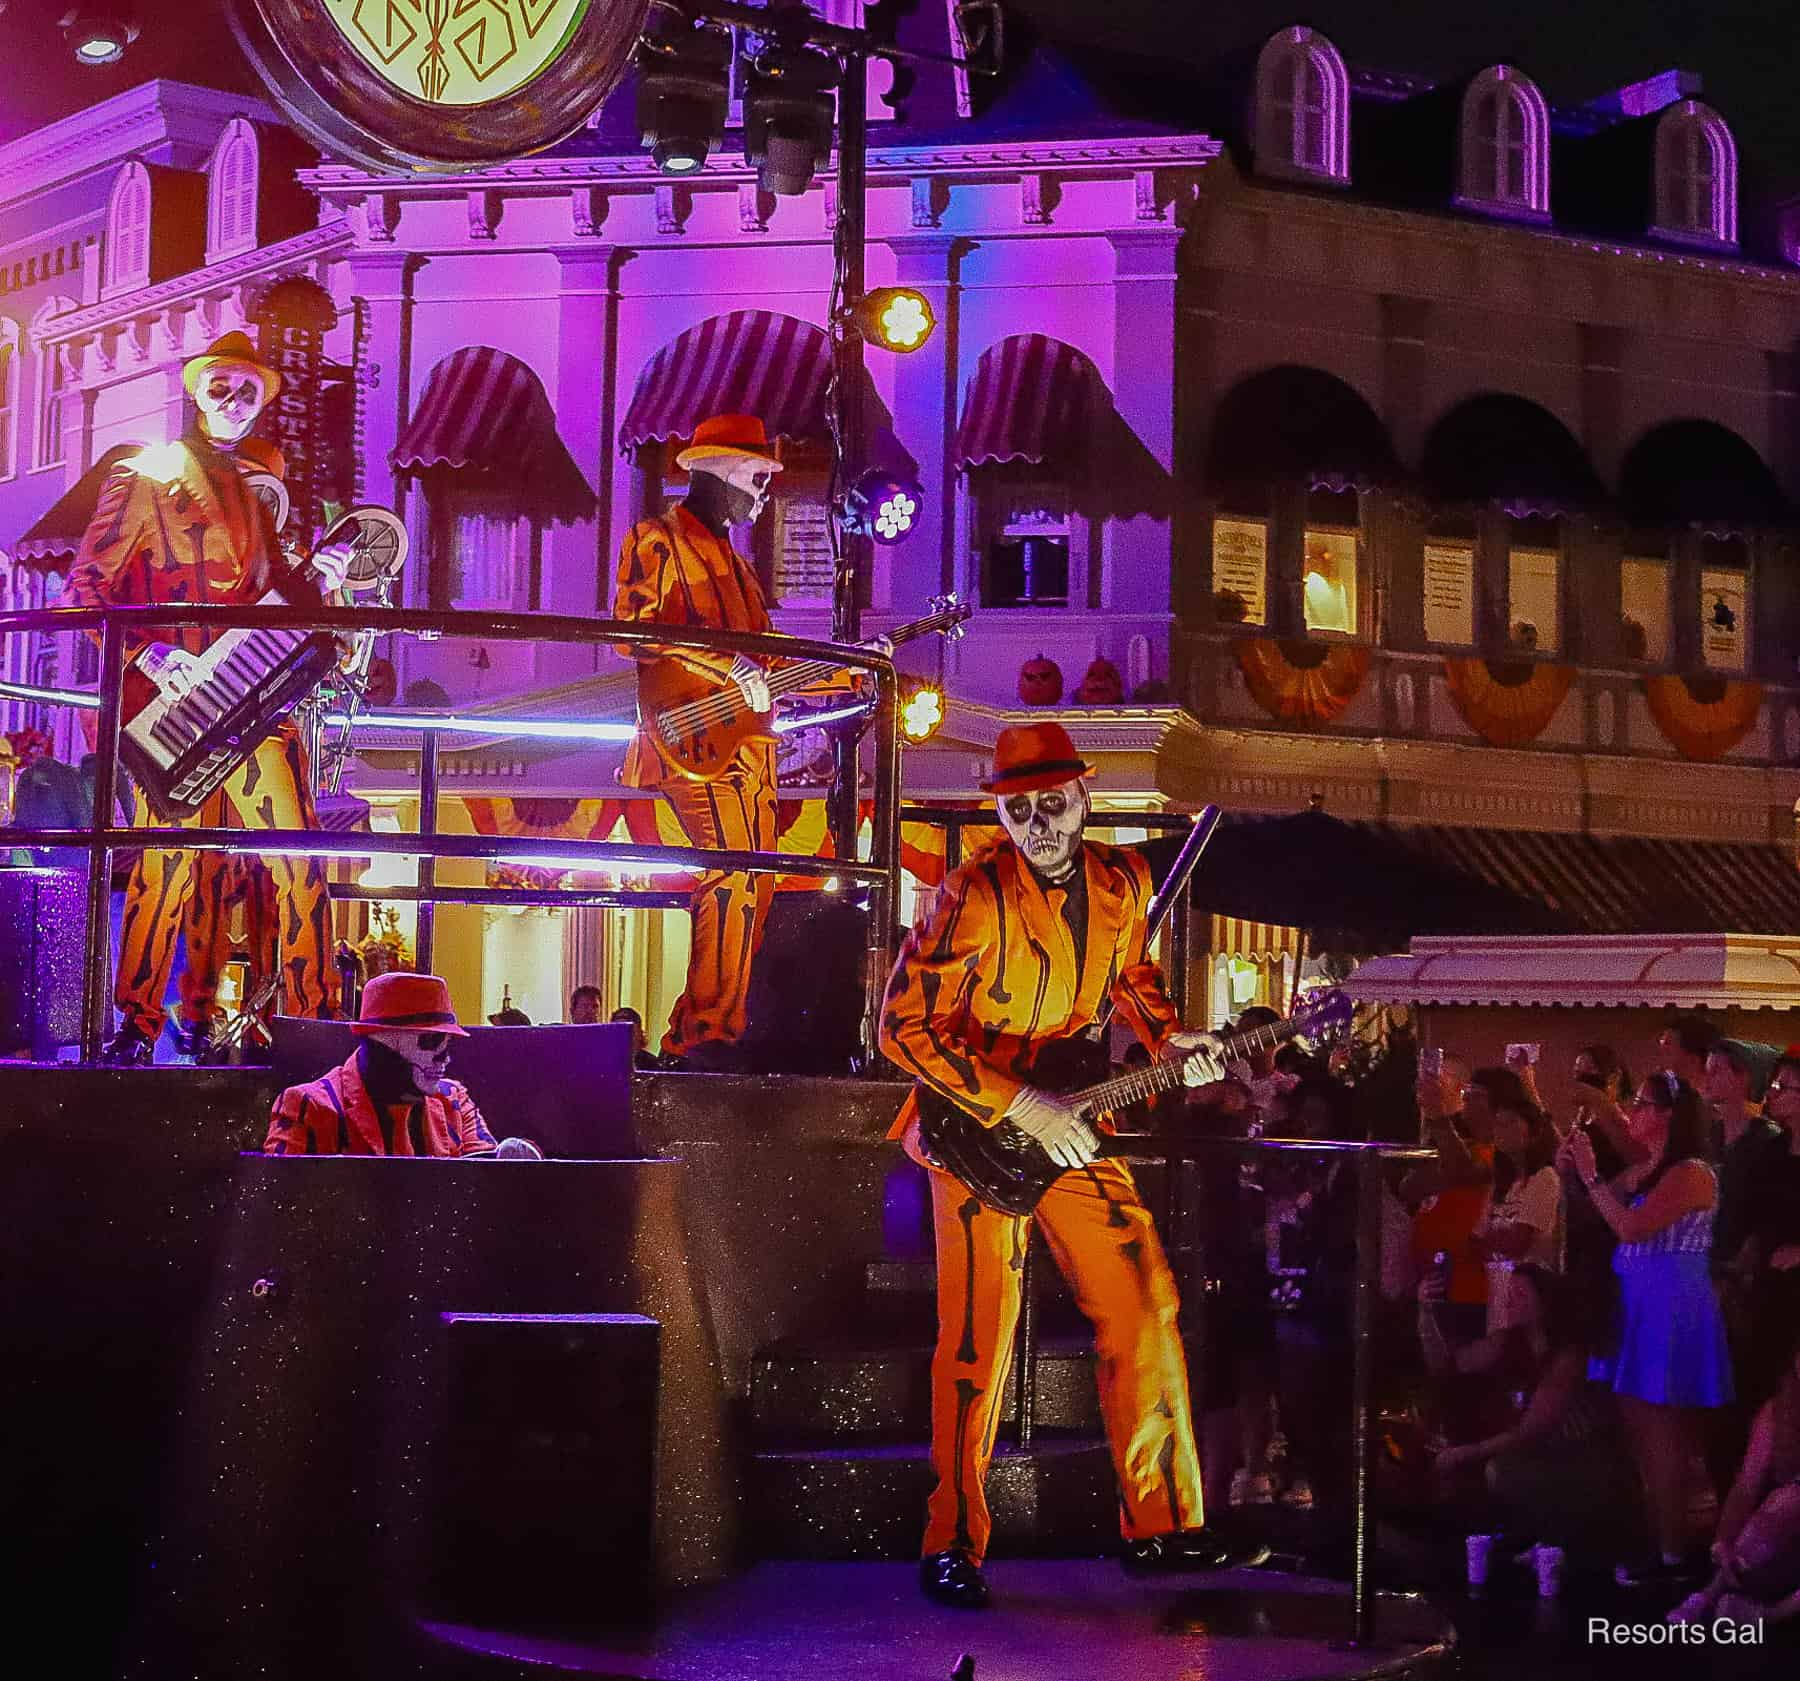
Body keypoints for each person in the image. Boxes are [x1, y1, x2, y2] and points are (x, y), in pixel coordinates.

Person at [879, 722, 1261, 1609]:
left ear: (1085, 799)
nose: (1039, 823)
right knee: (977, 1342)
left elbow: (1136, 976)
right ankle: (953, 1542)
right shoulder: (969, 892)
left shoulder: (1124, 880)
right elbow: (901, 1026)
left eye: (1053, 803)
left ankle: (1164, 1525)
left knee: (1144, 1294)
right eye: (1020, 808)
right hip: (973, 1127)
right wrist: (1015, 1103)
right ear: (1002, 813)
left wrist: (1177, 1038)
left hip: (1074, 1116)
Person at [68, 331, 354, 1065]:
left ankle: (313, 1020)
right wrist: (148, 652)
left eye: (247, 391)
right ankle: (135, 1025)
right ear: (196, 391)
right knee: (168, 868)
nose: (232, 401)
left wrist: (322, 577)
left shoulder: (249, 501)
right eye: (221, 386)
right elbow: (86, 590)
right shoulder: (142, 476)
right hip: (176, 712)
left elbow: (279, 597)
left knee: (296, 859)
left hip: (245, 706)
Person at [612, 413, 879, 1071]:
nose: (765, 495)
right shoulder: (656, 540)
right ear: (721, 472)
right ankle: (704, 1033)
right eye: (759, 478)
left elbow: (770, 668)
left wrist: (853, 666)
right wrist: (723, 660)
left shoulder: (740, 568)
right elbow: (634, 631)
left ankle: (710, 1027)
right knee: (731, 874)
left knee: (751, 883)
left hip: (747, 751)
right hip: (691, 743)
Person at [1564, 1070, 1733, 1589]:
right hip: (1637, 1300)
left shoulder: (1692, 1172)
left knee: (1665, 1432)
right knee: (1639, 1427)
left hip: (1671, 1302)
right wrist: (1574, 1170)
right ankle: (1660, 1540)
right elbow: (1596, 1212)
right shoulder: (1647, 1168)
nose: (1633, 1112)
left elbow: (1633, 1226)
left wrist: (1592, 1177)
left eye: (1641, 1103)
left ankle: (1674, 1553)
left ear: (1668, 1116)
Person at [1422, 1263, 1633, 1573]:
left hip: (1580, 1457)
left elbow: (1531, 1430)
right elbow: (1446, 1364)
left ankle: (1557, 1541)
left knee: (1502, 1469)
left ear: (1544, 1301)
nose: (1509, 1300)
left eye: (1520, 1293)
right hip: (1536, 1452)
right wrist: (1425, 1314)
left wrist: (1466, 1452)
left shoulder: (1567, 1355)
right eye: (1508, 1293)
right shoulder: (1506, 1341)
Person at [264, 973, 502, 1158]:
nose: (445, 1058)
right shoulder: (308, 1107)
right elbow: (281, 1205)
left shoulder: (454, 1101)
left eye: (448, 1045)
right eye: (430, 1041)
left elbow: (487, 1183)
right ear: (380, 1044)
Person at [1669, 1331, 1800, 1632]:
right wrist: (1723, 1540)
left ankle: (1769, 1615)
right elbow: (1746, 1484)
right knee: (1782, 1504)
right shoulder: (1781, 1412)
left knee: (1790, 1499)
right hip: (1784, 1533)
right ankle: (1709, 1593)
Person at [1402, 1052, 1494, 1341]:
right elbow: (1411, 1188)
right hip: (1433, 1283)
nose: (1466, 1101)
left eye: (1472, 1094)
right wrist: (1430, 1121)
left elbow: (1462, 1171)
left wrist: (1439, 1115)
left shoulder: (1497, 1152)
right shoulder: (1450, 1145)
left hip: (1473, 1289)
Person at [1467, 1068, 1564, 1333]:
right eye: (1497, 1124)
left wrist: (1494, 1240)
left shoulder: (1545, 1178)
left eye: (1509, 1123)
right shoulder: (1502, 1185)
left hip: (1530, 1295)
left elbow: (1519, 1242)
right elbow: (1474, 1242)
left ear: (1532, 1132)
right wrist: (1494, 1240)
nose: (1501, 1131)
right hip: (1496, 1291)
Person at [609, 1004, 660, 1070]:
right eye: (619, 1032)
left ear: (640, 1034)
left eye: (631, 1032)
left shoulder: (653, 1064)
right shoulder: (604, 1061)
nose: (624, 1038)